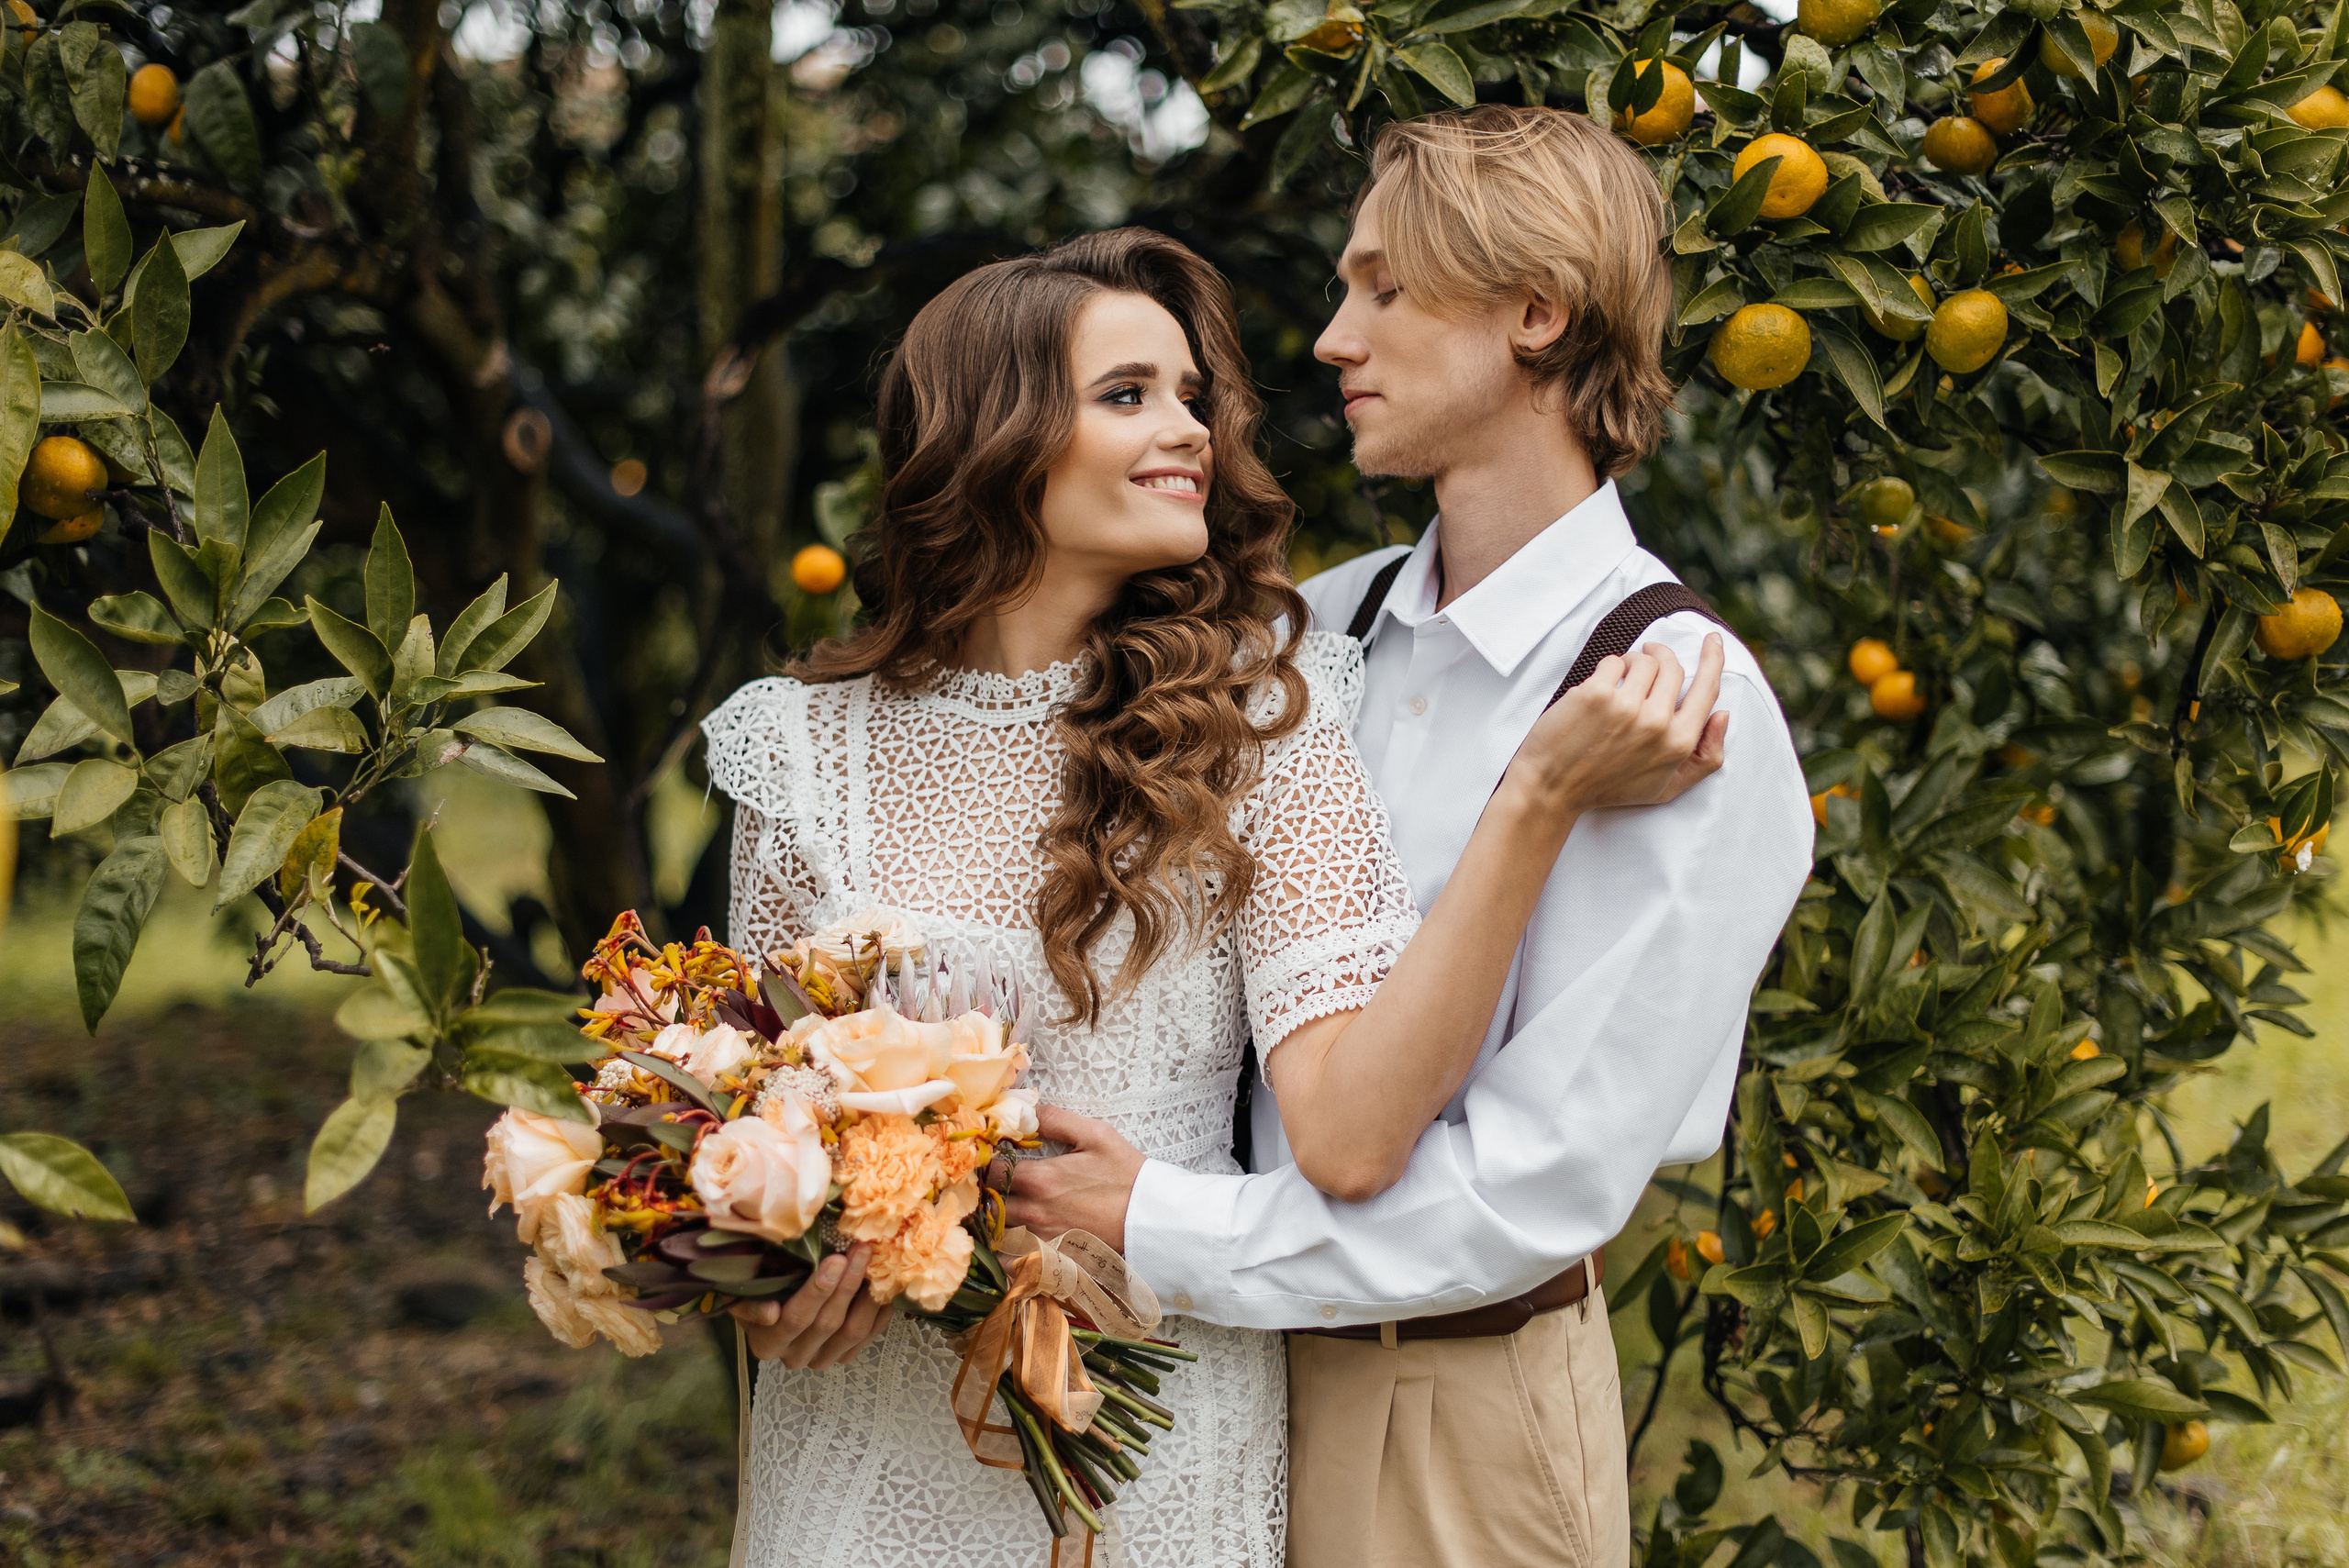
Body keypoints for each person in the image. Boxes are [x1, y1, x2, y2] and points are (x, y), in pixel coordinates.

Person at [697, 224, 1730, 1567]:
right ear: (993, 433)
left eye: (1192, 397)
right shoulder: (798, 748)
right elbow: (744, 1130)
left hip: (1156, 1450)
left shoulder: (1257, 722)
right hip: (857, 1453)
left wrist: (1533, 802)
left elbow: (1354, 1136)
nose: (1187, 429)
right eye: (1128, 395)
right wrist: (773, 1292)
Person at [1007, 108, 1816, 1568]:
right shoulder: (1325, 627)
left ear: (1536, 312)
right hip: (1217, 1385)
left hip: (1453, 1414)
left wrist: (1170, 1226)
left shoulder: (1684, 710)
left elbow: (1526, 1188)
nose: (1332, 338)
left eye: (1383, 287)